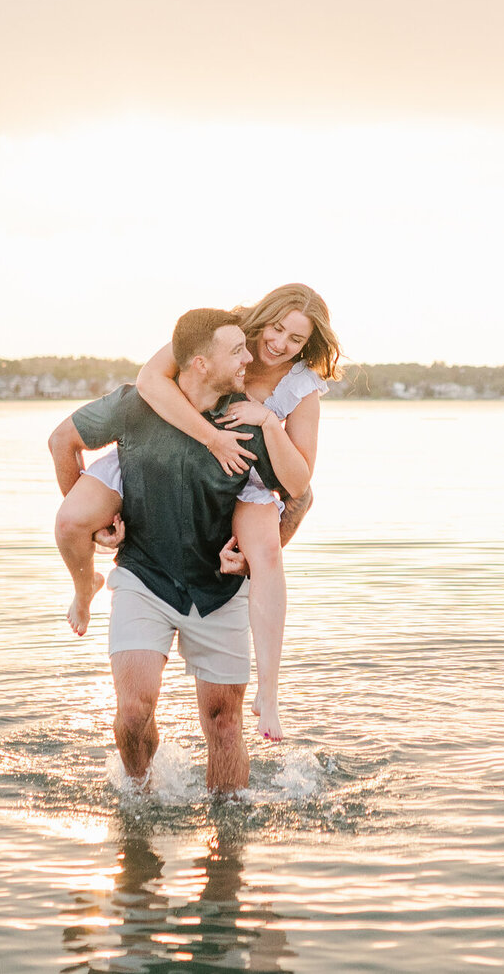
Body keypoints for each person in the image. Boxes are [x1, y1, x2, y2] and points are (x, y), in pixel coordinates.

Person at [46, 308, 313, 796]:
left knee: (224, 724)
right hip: (144, 578)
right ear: (198, 363)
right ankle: (140, 798)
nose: (250, 358)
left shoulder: (247, 424)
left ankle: (228, 839)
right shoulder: (134, 405)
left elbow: (300, 493)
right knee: (132, 713)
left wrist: (254, 559)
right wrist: (98, 528)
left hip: (219, 590)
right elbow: (62, 440)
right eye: (237, 350)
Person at [129, 283, 339, 742]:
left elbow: (299, 481)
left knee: (265, 552)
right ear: (262, 316)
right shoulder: (222, 331)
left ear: (309, 345)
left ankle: (269, 694)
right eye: (277, 328)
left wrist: (267, 421)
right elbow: (149, 381)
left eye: (296, 340)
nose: (280, 344)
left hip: (246, 478)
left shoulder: (301, 387)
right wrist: (211, 438)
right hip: (185, 461)